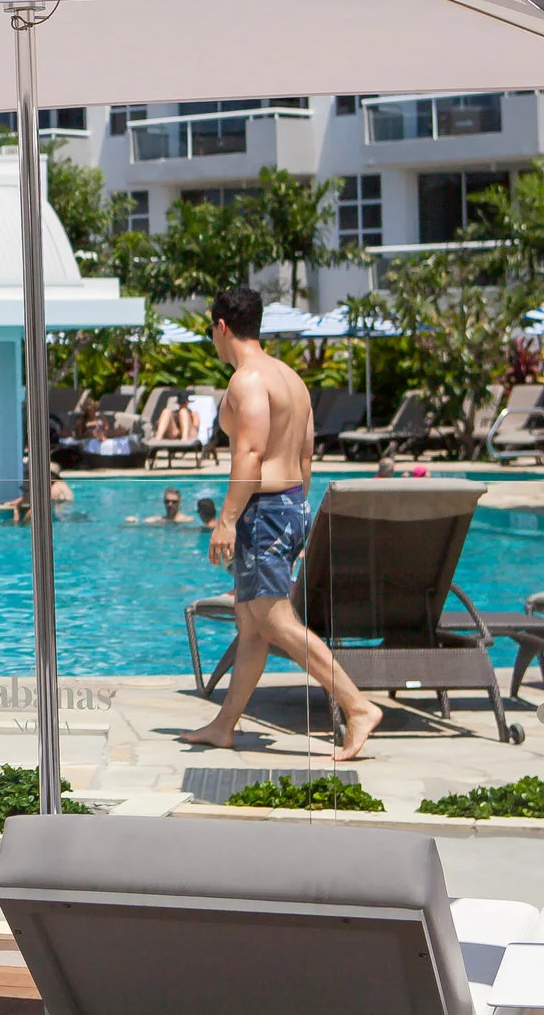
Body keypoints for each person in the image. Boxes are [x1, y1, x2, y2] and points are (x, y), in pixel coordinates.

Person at [182, 287, 380, 762]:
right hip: (289, 502)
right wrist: (296, 514)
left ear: (222, 327)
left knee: (273, 618)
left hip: (264, 509)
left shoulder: (248, 380)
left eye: (211, 330)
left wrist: (227, 520)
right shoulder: (289, 377)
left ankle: (357, 706)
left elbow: (250, 454)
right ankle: (225, 725)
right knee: (252, 624)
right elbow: (306, 454)